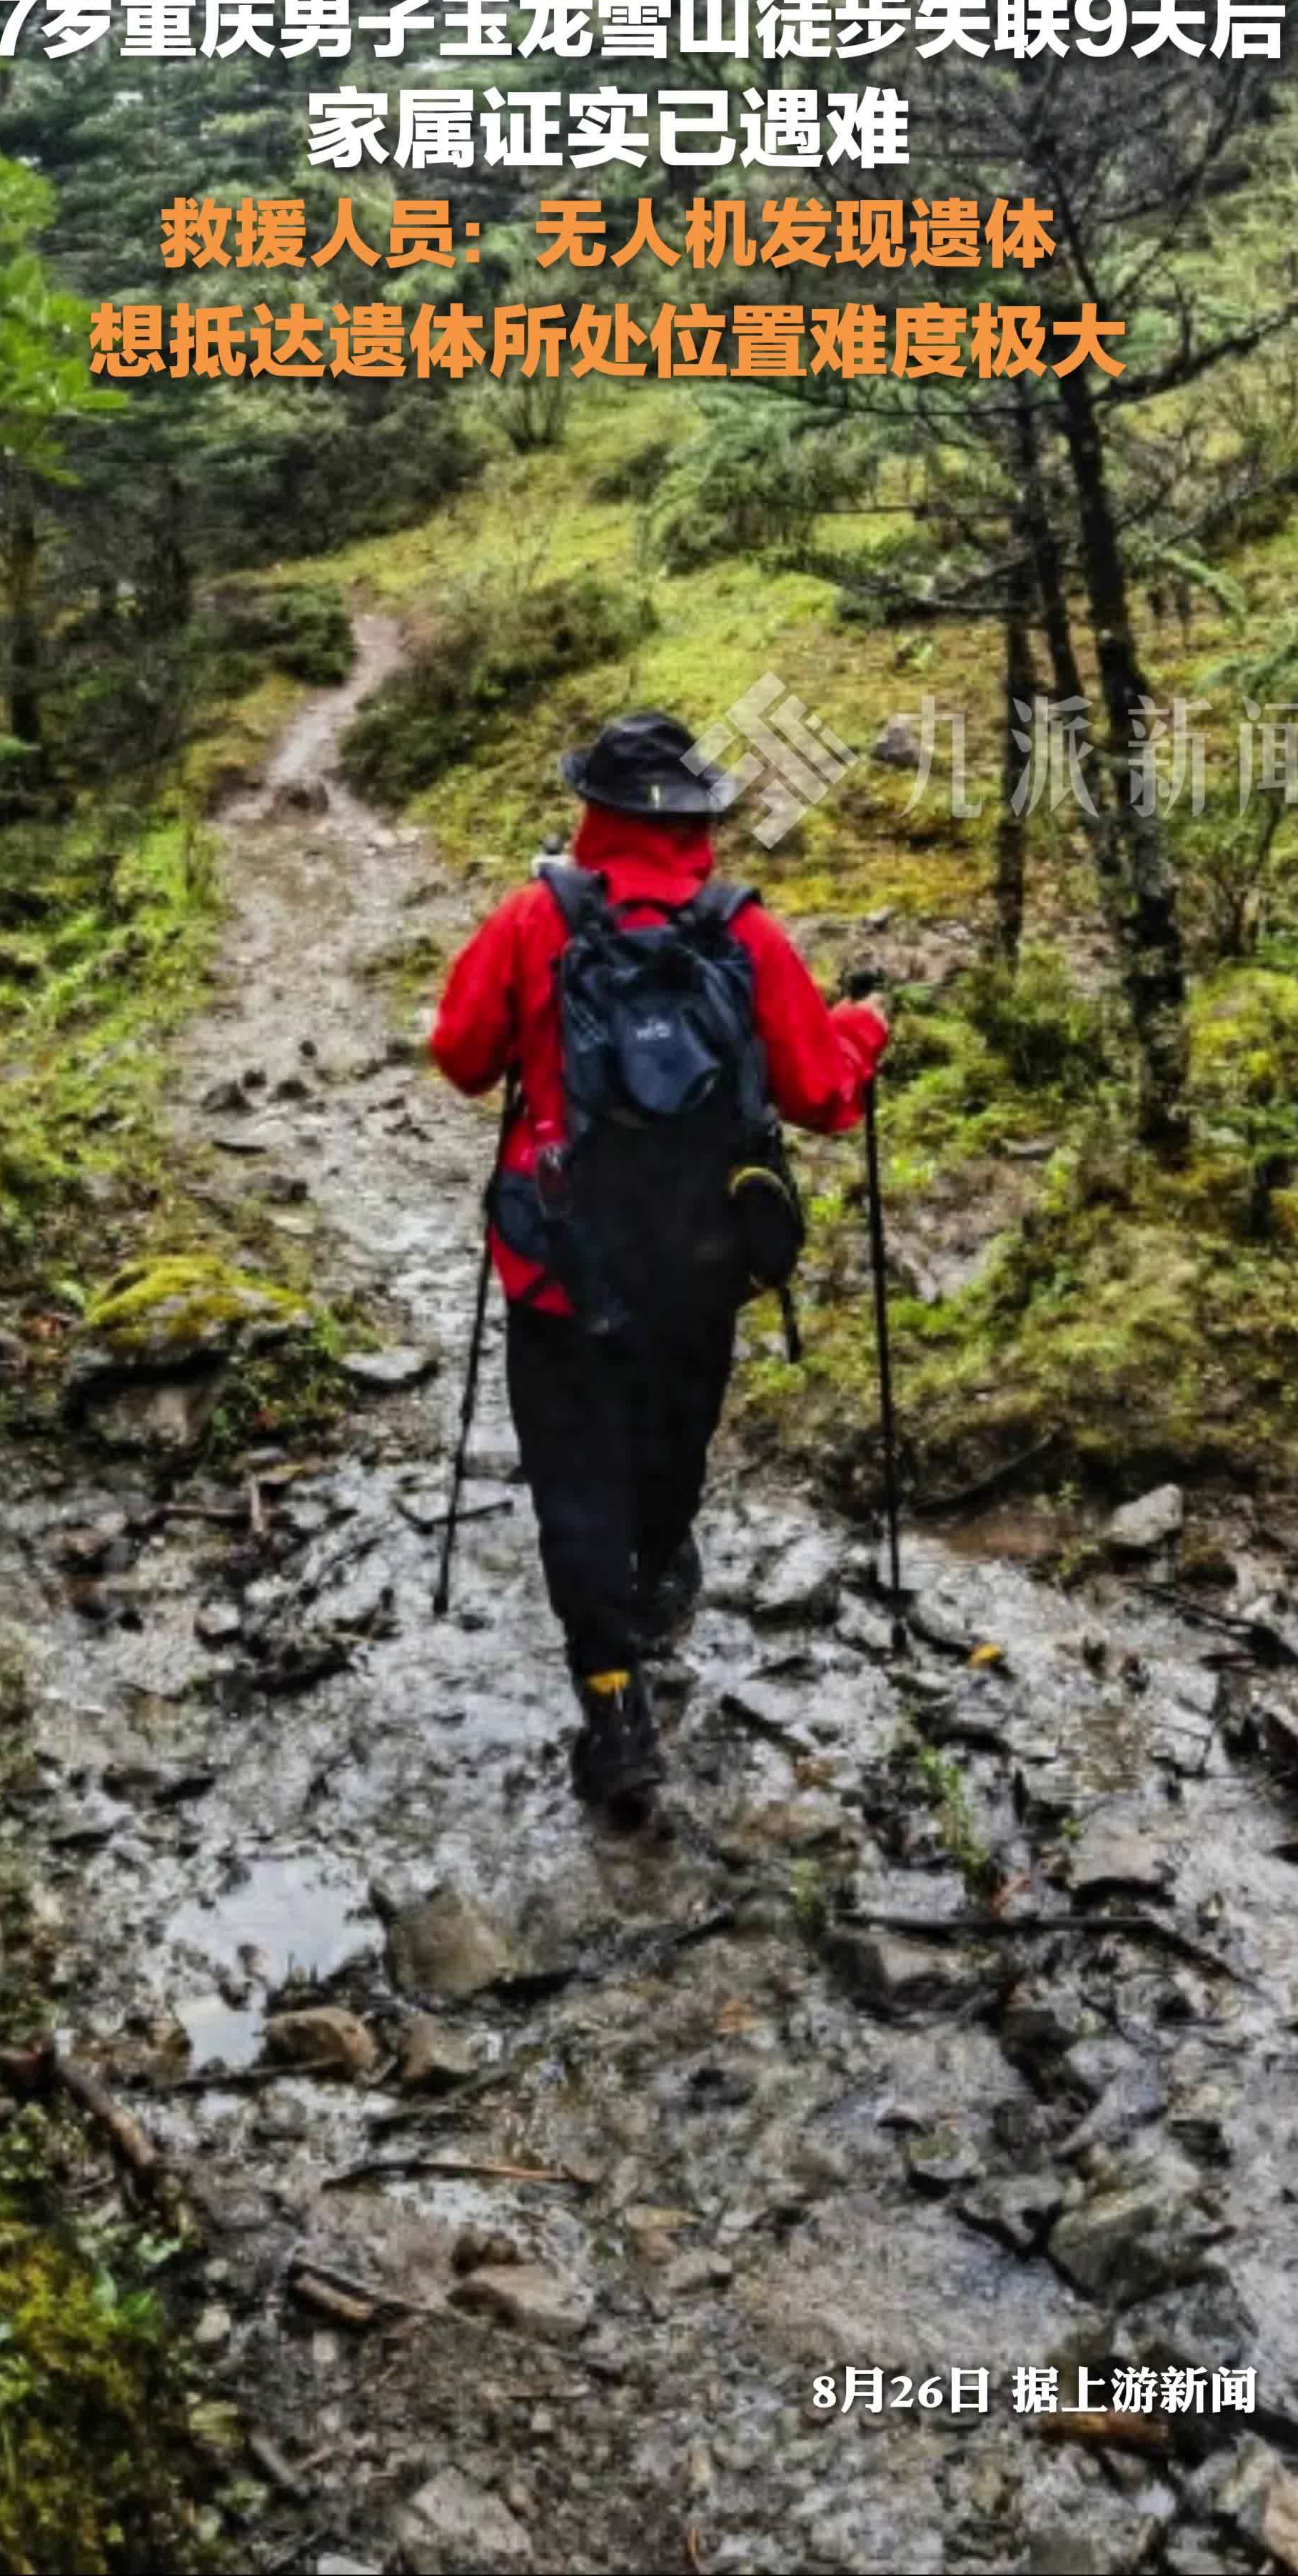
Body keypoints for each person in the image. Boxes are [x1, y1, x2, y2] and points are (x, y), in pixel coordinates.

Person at [430, 708, 888, 1809]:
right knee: (671, 1434)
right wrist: (866, 1024)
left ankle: (612, 1701)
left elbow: (460, 1059)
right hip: (699, 1258)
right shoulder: (746, 932)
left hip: (557, 1264)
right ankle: (663, 1562)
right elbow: (824, 1096)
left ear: (592, 811)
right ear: (696, 820)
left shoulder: (536, 919)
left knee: (572, 1477)